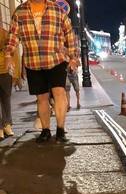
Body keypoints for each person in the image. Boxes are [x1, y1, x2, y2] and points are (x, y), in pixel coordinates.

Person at [5, 0, 79, 143]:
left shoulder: (57, 10)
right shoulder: (20, 11)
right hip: (33, 61)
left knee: (59, 92)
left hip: (56, 59)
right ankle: (45, 130)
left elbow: (69, 34)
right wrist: (8, 55)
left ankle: (60, 130)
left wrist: (73, 57)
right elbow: (13, 35)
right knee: (42, 98)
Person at [0, 27, 20, 139]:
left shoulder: (5, 33)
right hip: (5, 70)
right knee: (5, 99)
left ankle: (7, 125)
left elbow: (13, 53)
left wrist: (15, 73)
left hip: (5, 70)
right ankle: (2, 127)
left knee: (6, 98)